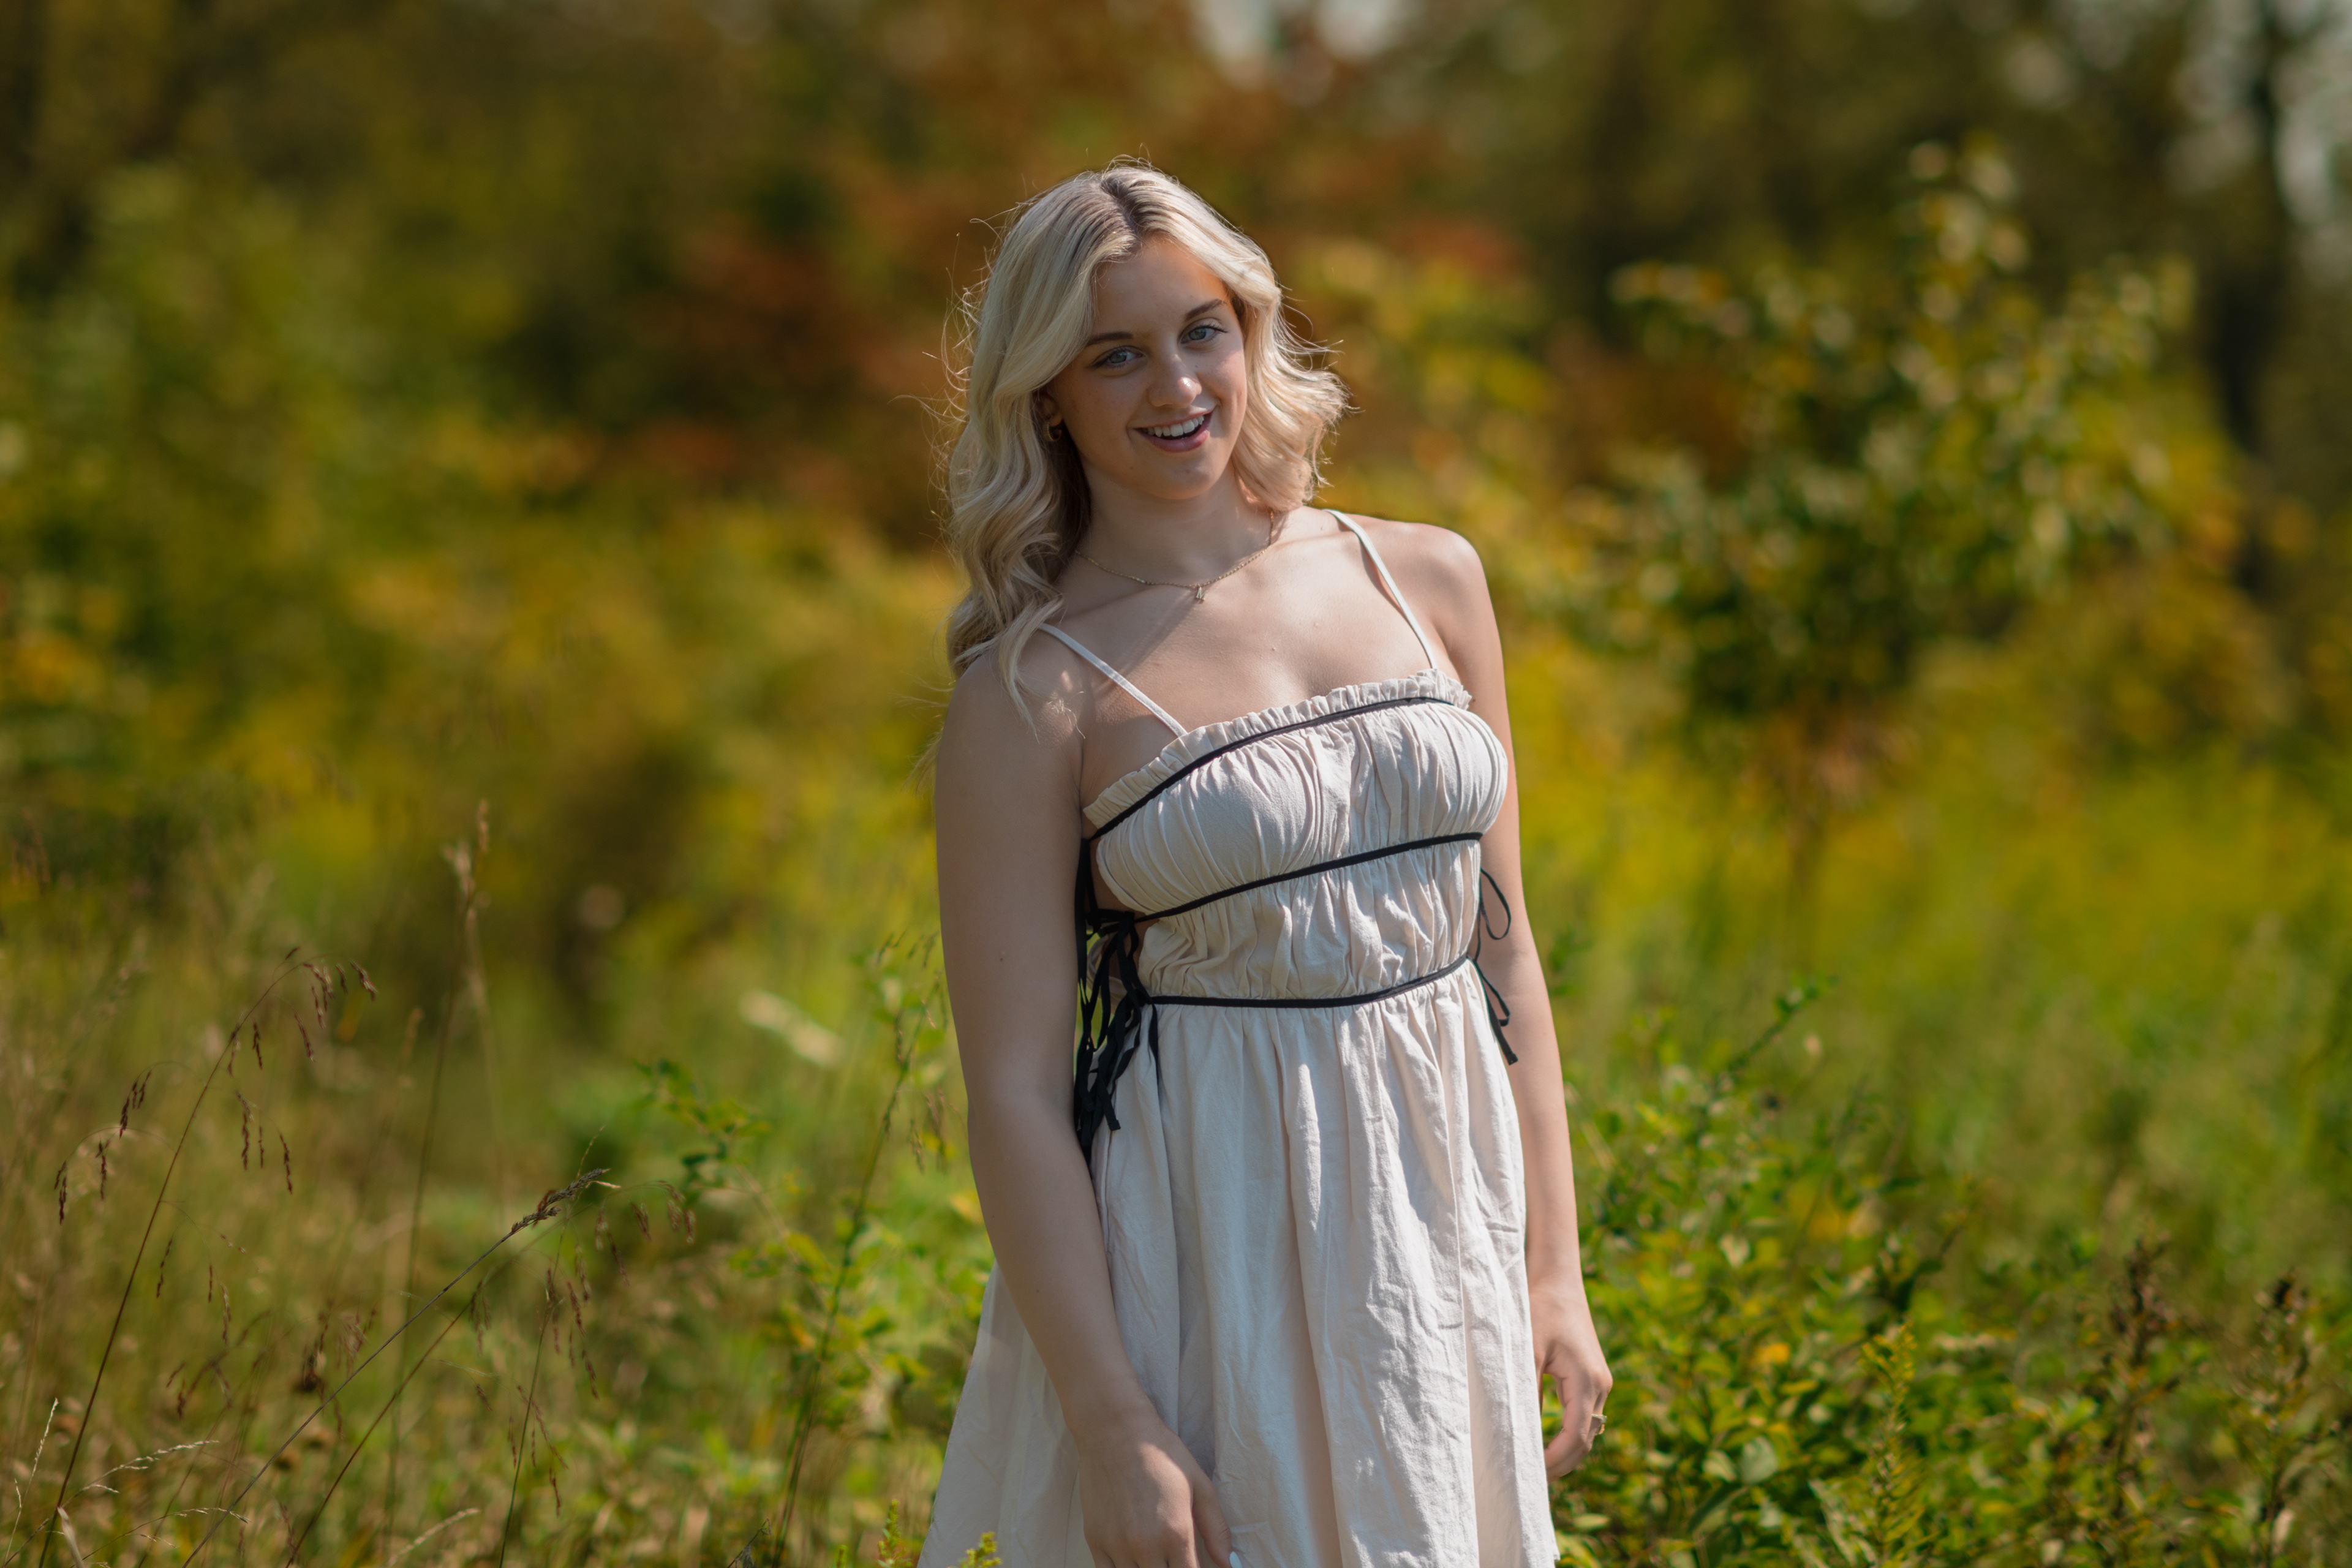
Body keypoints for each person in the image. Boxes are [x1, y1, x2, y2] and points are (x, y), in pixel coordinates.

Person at [922, 162, 1611, 1568]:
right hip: (1214, 1243)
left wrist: (1555, 1267)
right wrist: (1113, 1419)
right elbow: (1015, 1093)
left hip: (1445, 1229)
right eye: (1114, 353)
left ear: (1253, 330)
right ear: (1046, 393)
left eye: (1202, 330)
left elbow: (1502, 947)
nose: (1175, 384)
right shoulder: (1033, 691)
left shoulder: (1425, 576)